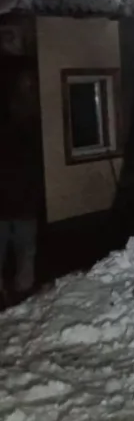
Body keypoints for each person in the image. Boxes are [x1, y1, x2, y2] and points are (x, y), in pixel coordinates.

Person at [0, 65, 39, 307]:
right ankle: (23, 293)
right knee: (25, 250)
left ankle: (18, 291)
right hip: (20, 201)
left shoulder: (24, 121)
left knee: (19, 249)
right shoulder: (30, 123)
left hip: (12, 201)